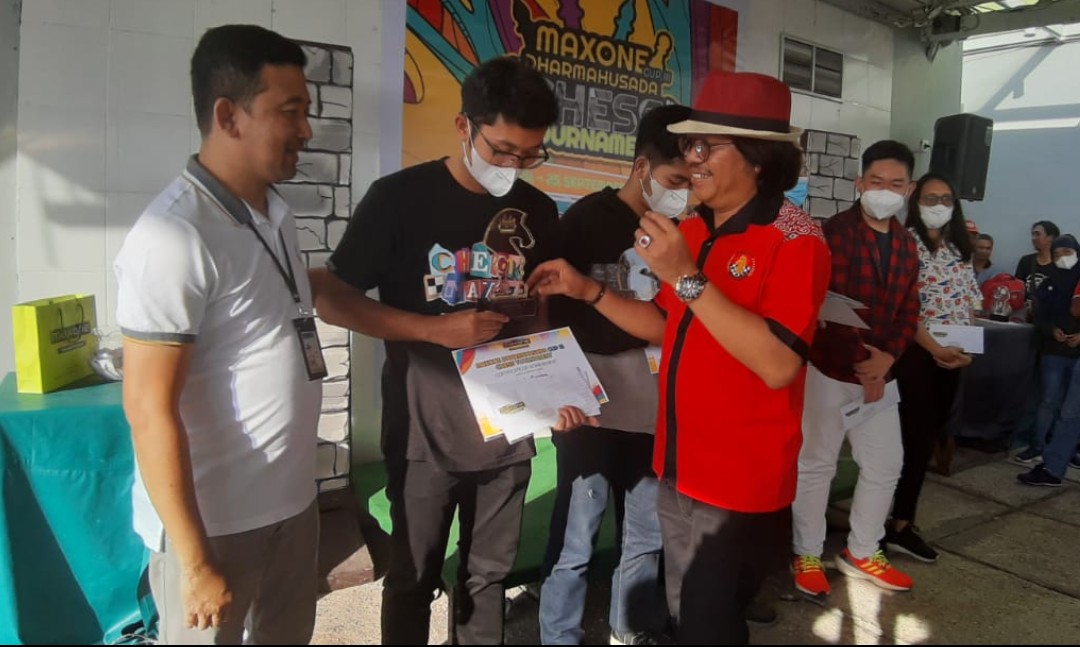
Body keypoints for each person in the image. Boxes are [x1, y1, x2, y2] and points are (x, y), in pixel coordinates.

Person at [529, 71, 831, 645]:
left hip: (737, 476)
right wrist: (587, 290)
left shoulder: (795, 239)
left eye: (705, 147)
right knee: (681, 611)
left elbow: (778, 365)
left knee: (709, 621)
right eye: (690, 146)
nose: (692, 160)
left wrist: (685, 276)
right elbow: (667, 326)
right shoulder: (692, 229)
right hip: (676, 460)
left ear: (758, 157)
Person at [312, 57, 581, 645]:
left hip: (507, 430)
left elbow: (539, 313)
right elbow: (331, 298)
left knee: (488, 577)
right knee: (413, 577)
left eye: (528, 155)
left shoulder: (537, 211)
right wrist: (433, 330)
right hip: (424, 433)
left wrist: (556, 389)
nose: (513, 167)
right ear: (464, 126)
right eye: (502, 150)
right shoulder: (398, 199)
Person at [114, 25, 322, 644]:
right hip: (215, 527)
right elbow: (148, 410)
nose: (306, 130)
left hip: (291, 503)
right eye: (290, 112)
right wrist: (196, 562)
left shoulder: (273, 213)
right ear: (228, 116)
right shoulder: (173, 237)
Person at [537, 105, 690, 646]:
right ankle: (559, 635)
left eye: (691, 183)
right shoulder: (585, 221)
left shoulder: (683, 234)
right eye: (675, 181)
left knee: (645, 534)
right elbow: (547, 310)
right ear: (642, 167)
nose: (683, 195)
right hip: (590, 406)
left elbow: (683, 322)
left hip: (653, 409)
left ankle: (633, 628)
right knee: (576, 537)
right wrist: (552, 392)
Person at [791, 140, 921, 600]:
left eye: (896, 184)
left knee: (886, 465)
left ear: (908, 189)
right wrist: (865, 363)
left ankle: (863, 550)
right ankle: (806, 553)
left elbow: (909, 309)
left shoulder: (907, 245)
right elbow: (825, 305)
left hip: (882, 376)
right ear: (860, 183)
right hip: (829, 371)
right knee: (816, 464)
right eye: (877, 181)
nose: (885, 191)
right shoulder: (831, 234)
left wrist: (886, 360)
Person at [884, 174, 981, 563]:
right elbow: (903, 310)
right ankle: (891, 524)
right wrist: (936, 349)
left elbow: (968, 304)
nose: (938, 205)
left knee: (927, 440)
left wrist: (966, 350)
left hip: (951, 356)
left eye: (945, 198)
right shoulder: (904, 244)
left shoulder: (960, 250)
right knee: (911, 440)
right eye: (930, 198)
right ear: (915, 202)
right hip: (916, 354)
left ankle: (902, 520)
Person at [1014, 235, 1080, 470]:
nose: (1063, 258)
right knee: (1049, 400)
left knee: (1073, 408)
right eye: (1057, 254)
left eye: (1067, 252)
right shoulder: (1048, 283)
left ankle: (1068, 450)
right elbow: (1038, 316)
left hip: (1078, 351)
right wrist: (1052, 330)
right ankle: (1038, 446)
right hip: (1053, 350)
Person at [1015, 220, 1060, 300]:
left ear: (1051, 238)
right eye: (1032, 234)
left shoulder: (1060, 263)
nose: (1033, 238)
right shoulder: (1026, 261)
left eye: (1037, 234)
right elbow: (1017, 288)